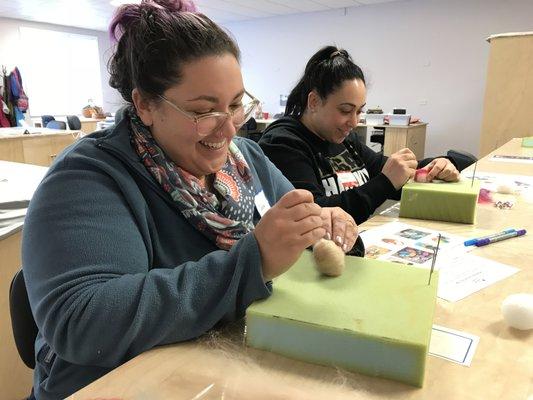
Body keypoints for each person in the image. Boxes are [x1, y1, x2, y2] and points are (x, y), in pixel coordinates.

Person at [21, 4, 358, 399]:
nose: (230, 127)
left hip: (223, 367)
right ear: (145, 104)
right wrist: (253, 262)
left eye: (235, 104)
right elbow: (82, 321)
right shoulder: (89, 178)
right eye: (203, 110)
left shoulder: (245, 160)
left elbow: (293, 219)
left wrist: (323, 221)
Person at [258, 46, 460, 225]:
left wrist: (435, 165)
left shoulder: (345, 139)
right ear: (314, 102)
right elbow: (315, 214)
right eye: (345, 110)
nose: (354, 122)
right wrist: (385, 182)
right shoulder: (283, 144)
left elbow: (388, 171)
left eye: (359, 111)